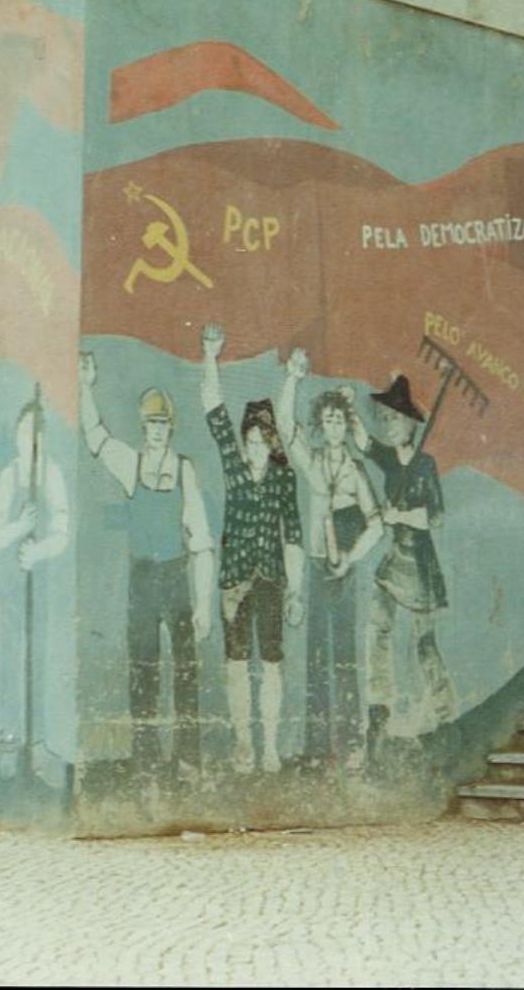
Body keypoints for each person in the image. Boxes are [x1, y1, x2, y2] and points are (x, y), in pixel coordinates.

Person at [80, 353, 215, 777]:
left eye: (161, 424)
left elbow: (202, 541)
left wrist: (205, 603)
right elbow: (95, 436)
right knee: (143, 668)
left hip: (176, 577)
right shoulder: (131, 463)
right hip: (142, 578)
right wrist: (86, 384)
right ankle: (144, 758)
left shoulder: (185, 471)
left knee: (186, 671)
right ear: (143, 427)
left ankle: (189, 758)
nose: (155, 431)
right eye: (150, 424)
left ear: (170, 427)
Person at [200, 323, 305, 774]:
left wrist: (296, 591)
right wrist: (209, 355)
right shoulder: (234, 467)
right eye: (251, 439)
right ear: (244, 441)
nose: (256, 447)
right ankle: (243, 743)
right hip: (234, 583)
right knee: (237, 666)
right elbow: (213, 409)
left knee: (274, 665)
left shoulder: (284, 479)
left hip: (271, 582)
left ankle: (269, 746)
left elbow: (295, 536)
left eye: (264, 440)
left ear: (272, 443)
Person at [275, 350, 384, 770]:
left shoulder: (356, 471)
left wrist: (351, 559)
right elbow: (285, 428)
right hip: (318, 568)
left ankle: (351, 742)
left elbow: (375, 523)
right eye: (329, 420)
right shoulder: (314, 463)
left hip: (345, 572)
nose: (334, 426)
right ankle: (318, 746)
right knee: (317, 657)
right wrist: (293, 378)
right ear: (321, 426)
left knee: (345, 658)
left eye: (341, 420)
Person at [349, 374, 457, 767]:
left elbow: (436, 517)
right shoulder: (389, 459)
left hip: (421, 563)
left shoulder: (425, 465)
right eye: (385, 420)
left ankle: (444, 717)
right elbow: (362, 442)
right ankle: (378, 709)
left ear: (411, 424)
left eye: (395, 420)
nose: (389, 426)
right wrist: (348, 409)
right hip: (394, 561)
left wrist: (403, 515)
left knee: (424, 644)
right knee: (377, 628)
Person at [0, 396, 70, 767]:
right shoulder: (8, 476)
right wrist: (19, 528)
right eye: (24, 431)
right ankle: (9, 739)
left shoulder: (51, 474)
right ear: (16, 434)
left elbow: (63, 530)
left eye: (36, 432)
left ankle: (36, 744)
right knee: (10, 656)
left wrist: (40, 551)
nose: (29, 439)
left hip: (39, 578)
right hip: (9, 580)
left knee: (37, 656)